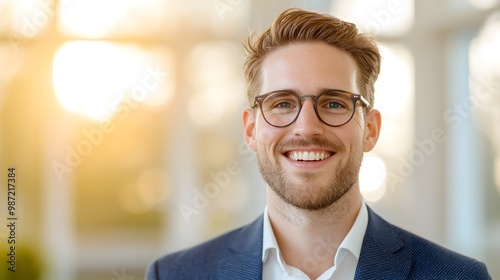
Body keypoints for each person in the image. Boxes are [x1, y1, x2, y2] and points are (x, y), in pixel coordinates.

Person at [146, 8, 491, 280]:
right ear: (250, 130)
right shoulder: (177, 275)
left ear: (370, 129)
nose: (307, 127)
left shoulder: (459, 277)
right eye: (282, 103)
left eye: (334, 103)